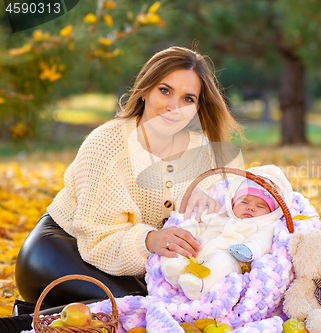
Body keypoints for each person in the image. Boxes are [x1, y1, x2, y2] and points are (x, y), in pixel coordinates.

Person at [6, 46, 242, 332]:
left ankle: (43, 314)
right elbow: (96, 240)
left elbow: (212, 223)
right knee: (142, 305)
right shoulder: (107, 144)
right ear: (144, 91)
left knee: (182, 303)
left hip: (135, 262)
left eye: (188, 98)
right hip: (60, 248)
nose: (173, 106)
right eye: (164, 91)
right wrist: (150, 240)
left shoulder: (202, 152)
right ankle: (18, 325)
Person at [160, 164, 293, 300]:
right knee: (177, 247)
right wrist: (184, 231)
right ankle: (175, 271)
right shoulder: (222, 214)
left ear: (271, 212)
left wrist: (249, 249)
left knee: (221, 262)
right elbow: (200, 225)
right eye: (244, 202)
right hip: (197, 249)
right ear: (233, 203)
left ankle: (198, 284)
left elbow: (262, 241)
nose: (251, 208)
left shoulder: (266, 224)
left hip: (231, 255)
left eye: (260, 206)